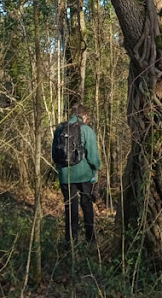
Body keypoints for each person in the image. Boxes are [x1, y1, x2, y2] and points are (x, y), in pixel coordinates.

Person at [52, 103, 101, 246]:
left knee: (70, 207)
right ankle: (90, 240)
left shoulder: (59, 129)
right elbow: (93, 157)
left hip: (65, 176)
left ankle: (70, 242)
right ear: (83, 116)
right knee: (86, 206)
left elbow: (55, 155)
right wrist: (97, 168)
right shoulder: (86, 130)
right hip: (84, 175)